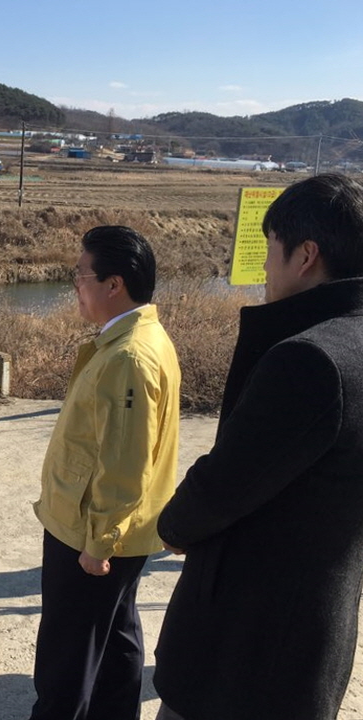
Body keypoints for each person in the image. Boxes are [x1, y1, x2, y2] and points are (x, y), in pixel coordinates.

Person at [154, 173, 363, 720]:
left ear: (305, 255)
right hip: (316, 636)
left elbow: (223, 485)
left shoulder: (308, 360)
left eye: (273, 249)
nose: (267, 266)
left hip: (244, 649)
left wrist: (171, 527)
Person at [29, 225, 181, 720]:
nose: (75, 283)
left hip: (90, 533)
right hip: (120, 532)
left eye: (81, 274)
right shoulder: (143, 337)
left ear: (114, 284)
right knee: (115, 643)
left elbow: (125, 463)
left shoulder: (129, 357)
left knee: (66, 661)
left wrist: (100, 543)